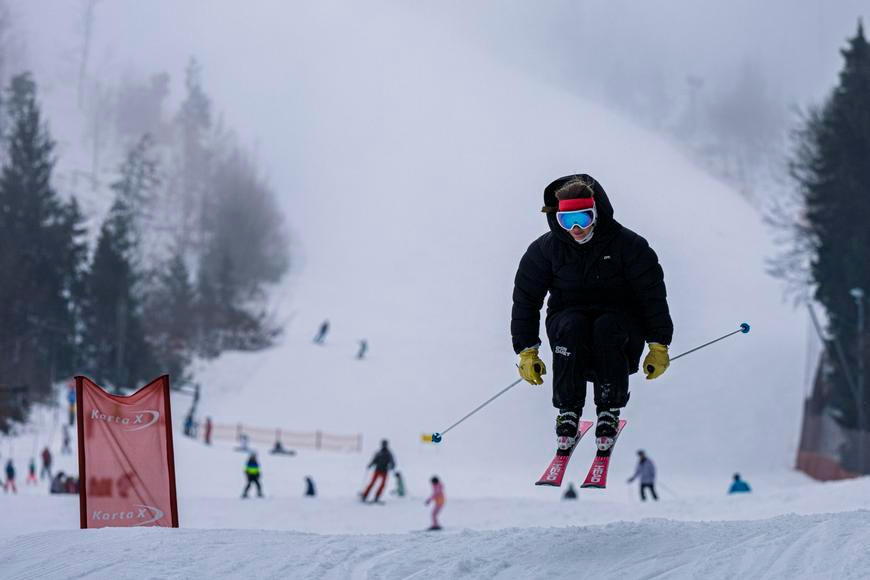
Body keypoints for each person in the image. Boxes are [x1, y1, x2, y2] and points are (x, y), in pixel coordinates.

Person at [511, 174, 673, 452]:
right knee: (572, 326)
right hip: (568, 320)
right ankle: (568, 411)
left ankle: (609, 409)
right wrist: (527, 350)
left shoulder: (629, 246)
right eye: (567, 221)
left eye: (583, 219)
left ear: (596, 213)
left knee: (606, 327)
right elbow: (526, 300)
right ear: (557, 219)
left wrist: (658, 344)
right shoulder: (545, 251)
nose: (576, 228)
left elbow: (651, 295)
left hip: (620, 322)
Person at [361, 439, 395, 503]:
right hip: (378, 470)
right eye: (383, 444)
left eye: (385, 444)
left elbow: (393, 462)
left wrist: (391, 466)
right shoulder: (379, 452)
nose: (384, 446)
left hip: (384, 471)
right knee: (372, 483)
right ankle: (364, 495)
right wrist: (370, 465)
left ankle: (377, 497)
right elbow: (374, 460)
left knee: (382, 485)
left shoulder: (389, 453)